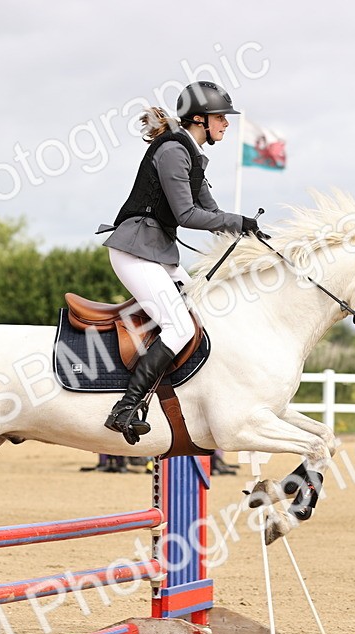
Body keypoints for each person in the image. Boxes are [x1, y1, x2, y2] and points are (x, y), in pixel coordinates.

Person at [98, 81, 260, 444]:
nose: (226, 124)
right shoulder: (173, 150)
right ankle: (126, 407)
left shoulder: (193, 154)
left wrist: (253, 237)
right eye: (221, 117)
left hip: (158, 253)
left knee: (202, 313)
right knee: (179, 327)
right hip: (135, 250)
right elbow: (188, 214)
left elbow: (213, 214)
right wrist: (238, 221)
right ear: (199, 119)